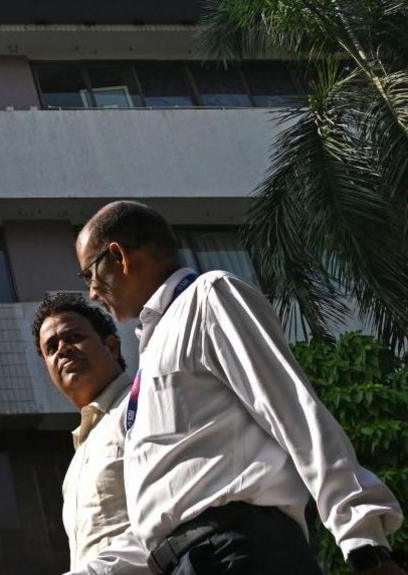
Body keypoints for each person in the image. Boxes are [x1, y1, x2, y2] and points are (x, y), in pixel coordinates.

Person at [74, 200, 405, 575]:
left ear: (118, 256)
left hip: (240, 551)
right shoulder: (150, 355)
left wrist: (363, 540)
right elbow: (168, 509)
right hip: (186, 561)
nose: (93, 294)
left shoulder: (208, 297)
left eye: (89, 276)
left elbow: (293, 410)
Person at [33, 293, 149, 575]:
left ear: (111, 346)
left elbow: (168, 516)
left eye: (73, 337)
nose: (63, 350)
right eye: (51, 347)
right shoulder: (79, 455)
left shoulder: (146, 404)